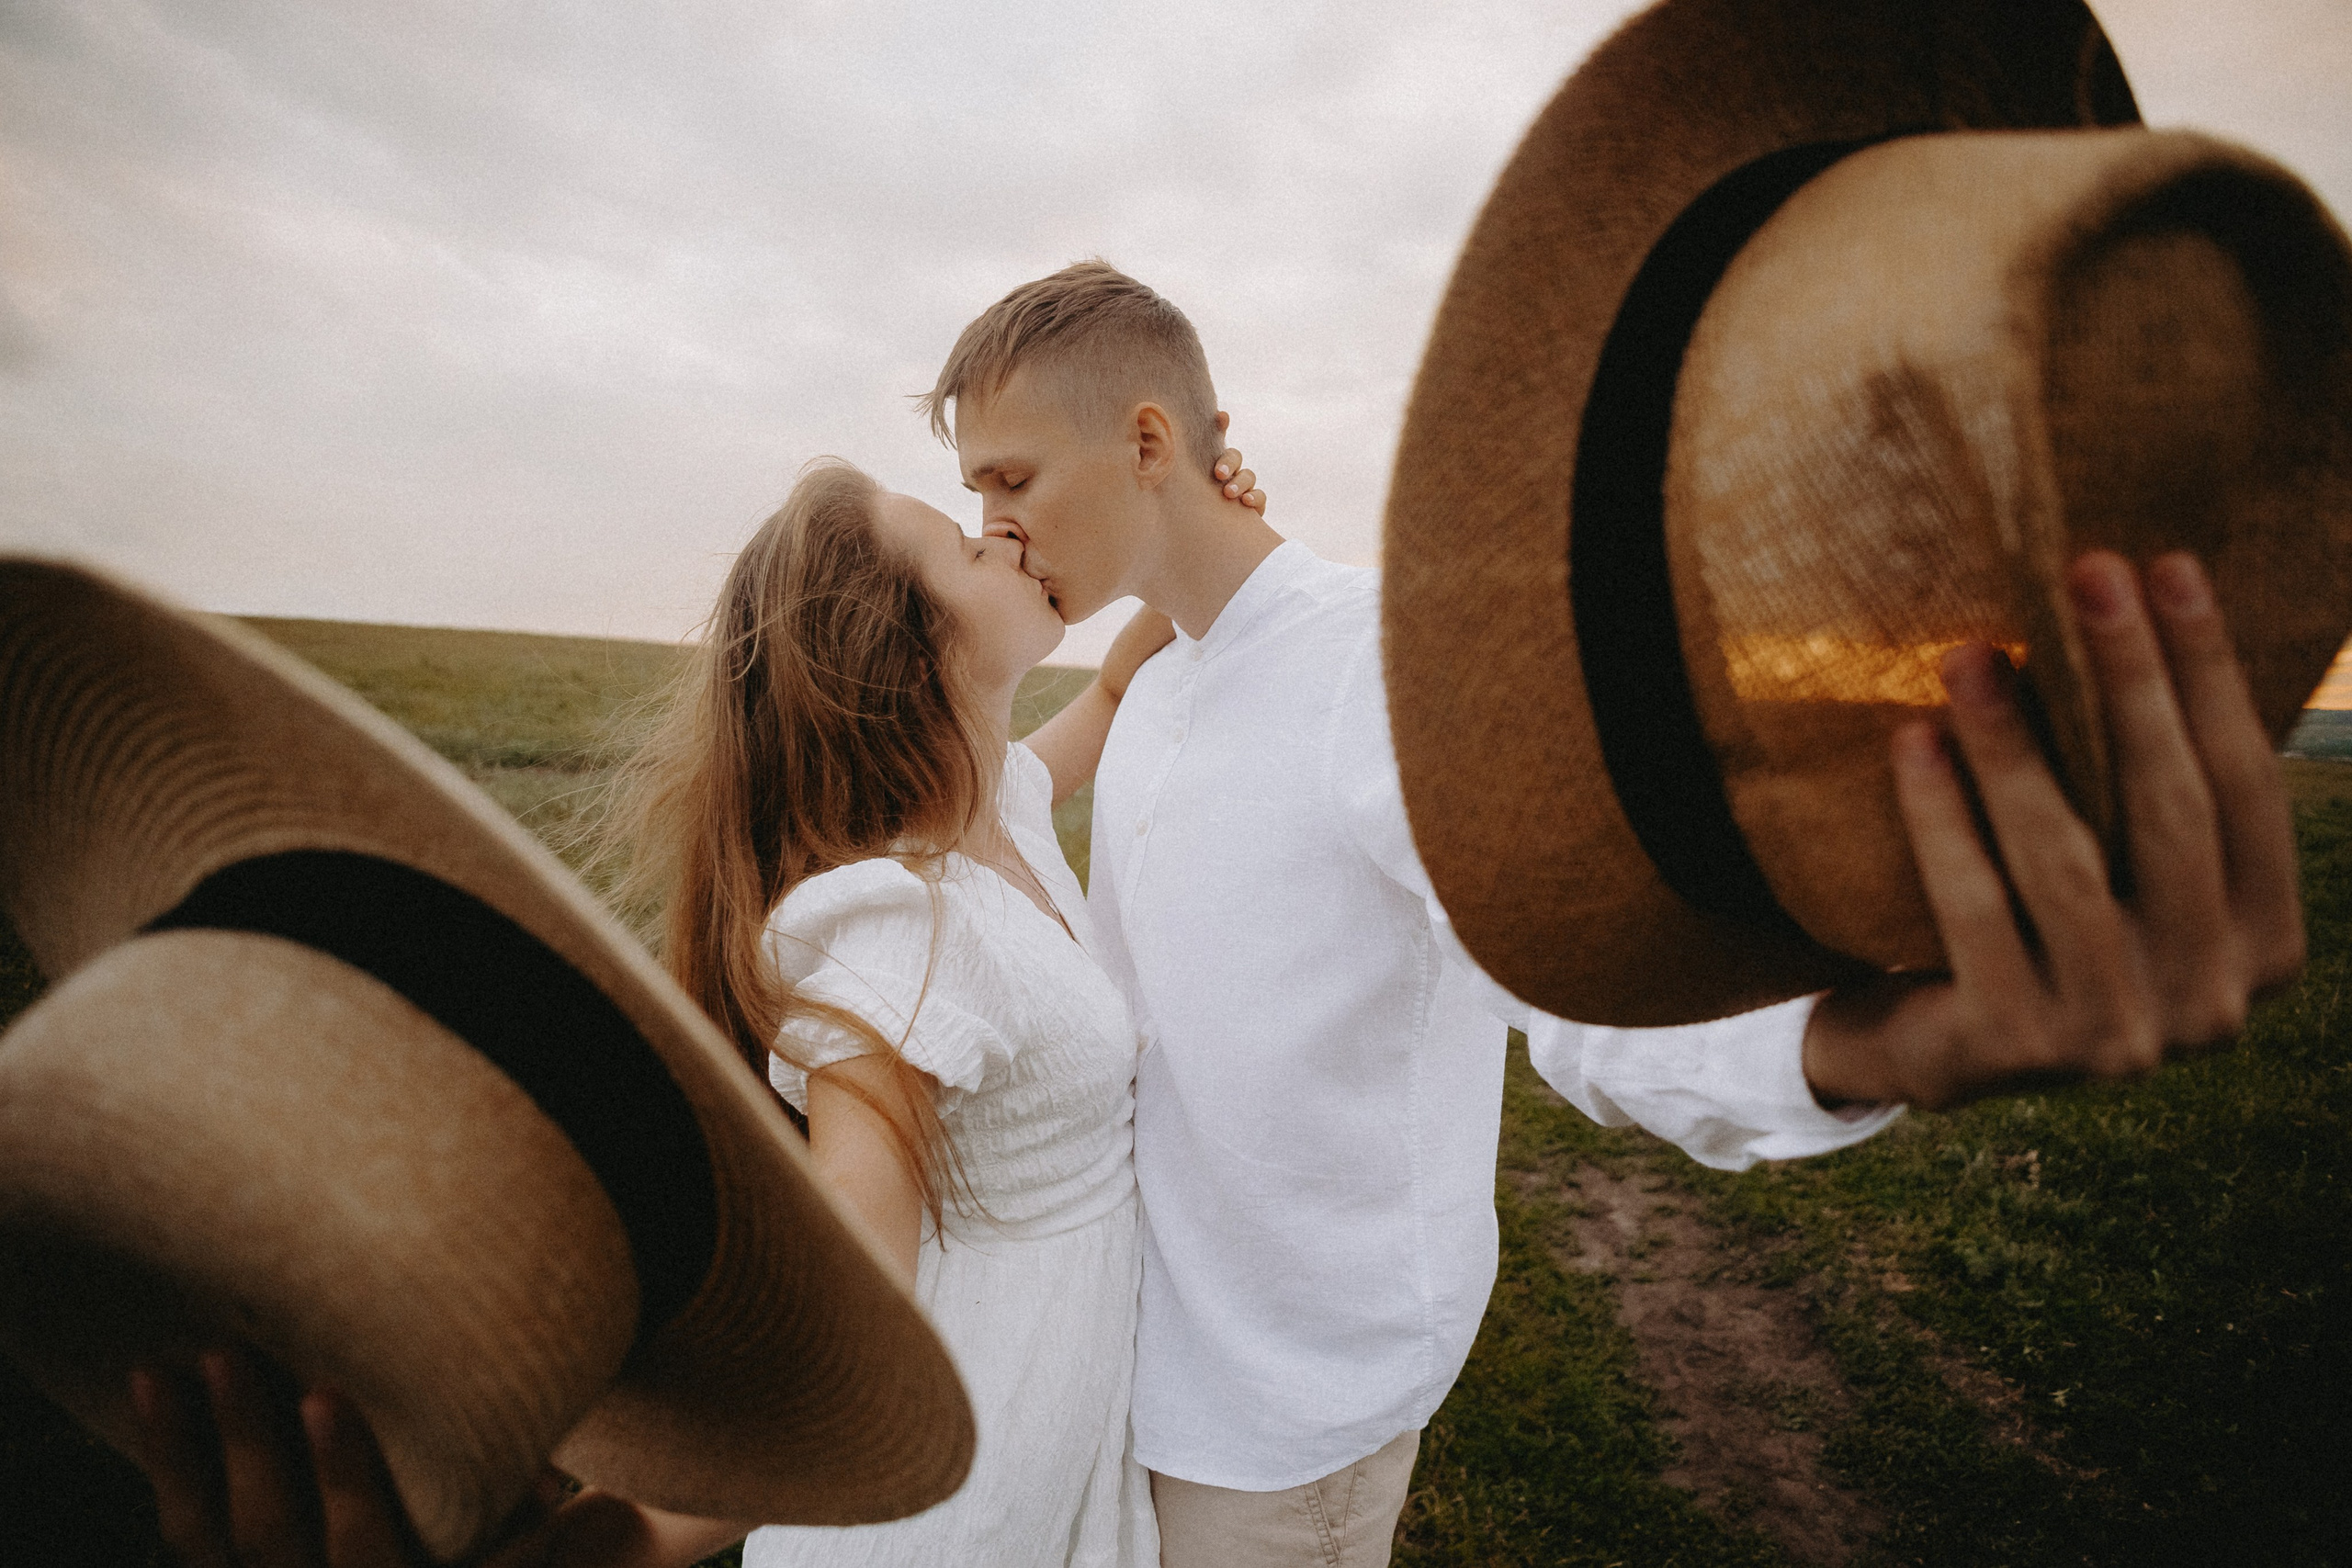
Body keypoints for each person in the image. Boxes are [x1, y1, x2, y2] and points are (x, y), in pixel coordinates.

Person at [922, 261, 2304, 1568]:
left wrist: (1873, 1046)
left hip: (1293, 1404)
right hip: (1138, 1361)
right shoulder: (1154, 685)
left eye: (1013, 477)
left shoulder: (1388, 672)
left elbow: (1586, 986)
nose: (994, 523)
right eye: (977, 489)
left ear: (1149, 438)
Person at [119, 447, 1263, 1568]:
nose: (1003, 530)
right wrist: (602, 1545)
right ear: (906, 657)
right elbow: (837, 1337)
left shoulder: (997, 810)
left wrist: (1182, 531)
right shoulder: (900, 934)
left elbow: (1111, 695)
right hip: (961, 1515)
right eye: (967, 546)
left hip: (1059, 1457)